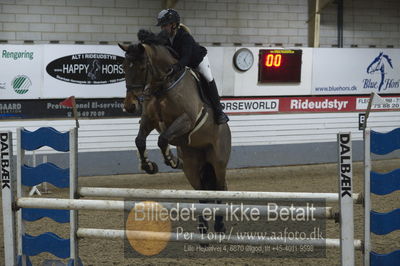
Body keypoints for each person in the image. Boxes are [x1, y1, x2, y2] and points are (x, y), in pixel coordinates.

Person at [156, 8, 229, 125]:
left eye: (165, 25)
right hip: (181, 63)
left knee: (208, 78)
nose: (163, 28)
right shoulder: (164, 38)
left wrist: (177, 66)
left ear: (173, 25)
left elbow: (186, 57)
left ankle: (219, 111)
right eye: (162, 26)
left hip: (197, 61)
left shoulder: (185, 37)